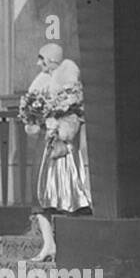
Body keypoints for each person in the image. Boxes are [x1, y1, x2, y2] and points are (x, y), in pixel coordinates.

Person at [24, 43, 90, 262]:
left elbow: (74, 110)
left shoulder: (69, 79)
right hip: (46, 141)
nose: (38, 64)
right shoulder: (40, 83)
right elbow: (34, 110)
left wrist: (60, 123)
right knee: (39, 191)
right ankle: (48, 244)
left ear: (51, 60)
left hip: (63, 145)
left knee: (67, 190)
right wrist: (36, 116)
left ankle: (75, 245)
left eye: (42, 59)